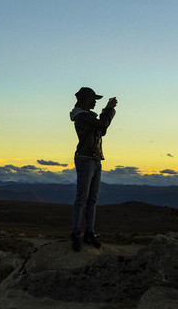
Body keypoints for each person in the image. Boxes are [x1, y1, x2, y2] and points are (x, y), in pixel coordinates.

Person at [69, 87, 117, 251]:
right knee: (82, 198)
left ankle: (89, 232)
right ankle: (76, 233)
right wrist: (109, 110)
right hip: (86, 158)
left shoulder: (87, 117)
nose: (95, 101)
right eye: (93, 98)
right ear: (84, 100)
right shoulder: (82, 117)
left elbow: (101, 128)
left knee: (92, 199)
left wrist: (107, 110)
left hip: (94, 158)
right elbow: (103, 125)